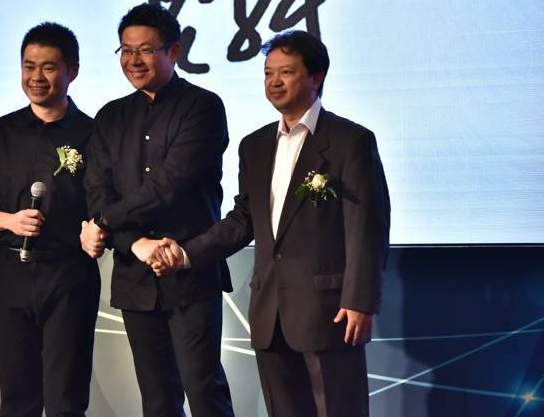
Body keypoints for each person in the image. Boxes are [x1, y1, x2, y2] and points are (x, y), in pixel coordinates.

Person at [151, 30, 390, 417]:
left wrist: (359, 300)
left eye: (287, 72)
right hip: (269, 310)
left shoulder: (351, 141)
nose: (274, 82)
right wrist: (185, 253)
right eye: (268, 73)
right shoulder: (255, 145)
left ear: (316, 77)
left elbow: (368, 228)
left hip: (329, 310)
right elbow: (243, 219)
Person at [80, 3, 235, 417]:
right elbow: (96, 190)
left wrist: (105, 223)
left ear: (174, 51)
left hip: (188, 270)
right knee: (157, 398)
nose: (134, 60)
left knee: (204, 390)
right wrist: (136, 244)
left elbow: (169, 184)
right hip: (135, 276)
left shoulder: (203, 107)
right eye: (126, 51)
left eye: (146, 50)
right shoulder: (110, 117)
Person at [0, 22, 99, 417]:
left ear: (72, 71)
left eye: (49, 67)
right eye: (28, 66)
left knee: (65, 398)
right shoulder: (0, 132)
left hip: (69, 275)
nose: (36, 77)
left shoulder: (93, 133)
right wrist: (8, 221)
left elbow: (105, 200)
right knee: (18, 397)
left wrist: (98, 226)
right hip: (9, 275)